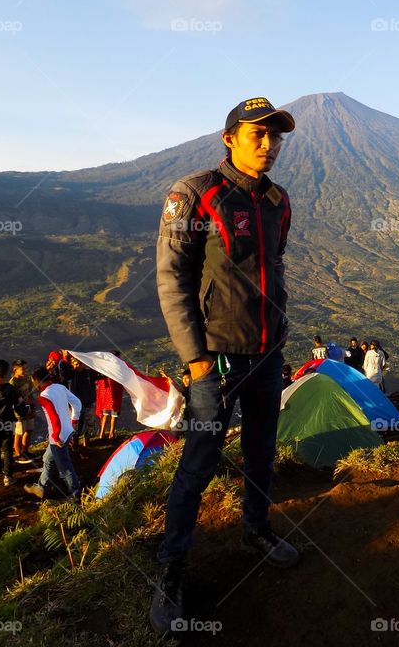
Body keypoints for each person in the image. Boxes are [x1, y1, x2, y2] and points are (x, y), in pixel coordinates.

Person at [152, 96, 299, 634]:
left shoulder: (277, 201)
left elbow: (272, 268)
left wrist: (279, 335)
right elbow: (173, 282)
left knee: (262, 451)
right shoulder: (194, 195)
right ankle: (171, 570)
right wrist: (195, 364)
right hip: (215, 360)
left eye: (276, 136)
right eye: (257, 134)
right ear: (229, 137)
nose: (269, 144)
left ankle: (256, 528)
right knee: (199, 462)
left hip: (268, 354)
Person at [24, 366, 82, 503]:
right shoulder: (60, 387)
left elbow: (54, 418)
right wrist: (75, 420)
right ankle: (41, 487)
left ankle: (76, 494)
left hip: (58, 436)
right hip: (67, 431)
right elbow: (77, 403)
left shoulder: (43, 396)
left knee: (65, 467)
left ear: (38, 381)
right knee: (48, 459)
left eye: (34, 382)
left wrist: (56, 436)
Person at [68, 355, 97, 455]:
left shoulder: (89, 373)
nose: (78, 366)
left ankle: (86, 445)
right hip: (76, 406)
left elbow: (102, 374)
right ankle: (75, 445)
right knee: (77, 426)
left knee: (90, 424)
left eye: (80, 363)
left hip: (89, 403)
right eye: (76, 364)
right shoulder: (72, 375)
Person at [10, 359, 37, 464]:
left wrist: (32, 407)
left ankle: (25, 451)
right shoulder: (13, 382)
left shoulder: (27, 379)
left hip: (28, 408)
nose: (25, 370)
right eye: (23, 369)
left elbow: (30, 393)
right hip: (19, 411)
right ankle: (18, 454)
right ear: (15, 370)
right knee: (19, 432)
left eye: (26, 368)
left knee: (29, 430)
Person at [96, 351, 125, 440]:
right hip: (115, 394)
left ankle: (101, 434)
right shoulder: (119, 367)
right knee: (114, 415)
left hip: (105, 395)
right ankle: (111, 434)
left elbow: (99, 381)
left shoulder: (104, 367)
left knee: (105, 415)